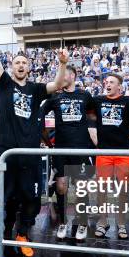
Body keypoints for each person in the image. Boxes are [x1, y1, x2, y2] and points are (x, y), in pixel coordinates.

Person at [0, 17, 67, 257]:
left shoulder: (35, 88)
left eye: (24, 63)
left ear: (29, 68)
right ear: (11, 67)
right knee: (2, 197)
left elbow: (59, 83)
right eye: (17, 62)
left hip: (30, 152)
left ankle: (22, 235)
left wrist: (62, 63)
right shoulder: (5, 84)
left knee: (31, 197)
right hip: (7, 150)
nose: (20, 65)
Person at [42, 64, 95, 241]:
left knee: (81, 188)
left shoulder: (85, 95)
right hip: (61, 149)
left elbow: (96, 116)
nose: (59, 77)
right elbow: (39, 114)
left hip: (81, 149)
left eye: (63, 74)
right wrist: (48, 142)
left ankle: (81, 223)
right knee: (61, 187)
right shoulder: (55, 97)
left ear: (72, 76)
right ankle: (63, 222)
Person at [91, 74, 129, 239]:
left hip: (124, 152)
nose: (107, 84)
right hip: (103, 152)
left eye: (112, 82)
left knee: (123, 190)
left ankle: (121, 223)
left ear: (120, 86)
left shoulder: (128, 101)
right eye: (106, 82)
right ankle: (103, 221)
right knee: (101, 189)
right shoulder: (98, 100)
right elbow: (89, 115)